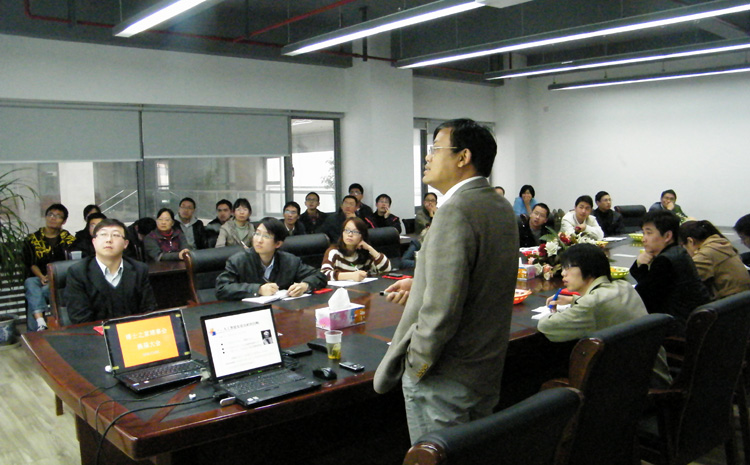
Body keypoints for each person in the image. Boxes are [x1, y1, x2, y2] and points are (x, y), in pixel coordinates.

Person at [374, 118, 518, 442]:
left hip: (445, 378)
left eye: (435, 149)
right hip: (485, 367)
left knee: (437, 456)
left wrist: (416, 366)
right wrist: (421, 282)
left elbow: (442, 310)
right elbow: (482, 277)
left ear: (463, 157)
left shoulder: (455, 210)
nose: (427, 157)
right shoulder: (499, 205)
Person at [538, 243, 672, 388]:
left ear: (588, 269)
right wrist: (574, 300)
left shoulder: (591, 304)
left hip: (626, 387)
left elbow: (546, 326)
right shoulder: (624, 286)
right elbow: (603, 305)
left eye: (568, 268)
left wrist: (556, 312)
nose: (563, 273)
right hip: (653, 376)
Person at [65, 219, 158, 324]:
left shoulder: (139, 269)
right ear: (94, 242)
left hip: (132, 330)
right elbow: (80, 317)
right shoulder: (78, 272)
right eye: (103, 235)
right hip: (96, 332)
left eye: (115, 235)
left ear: (125, 244)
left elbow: (149, 309)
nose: (109, 240)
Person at [630, 210, 710, 326]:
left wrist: (641, 266)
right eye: (643, 233)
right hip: (695, 320)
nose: (643, 239)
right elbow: (649, 287)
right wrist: (640, 264)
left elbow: (642, 298)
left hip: (678, 326)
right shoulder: (679, 252)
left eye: (649, 233)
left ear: (667, 236)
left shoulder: (665, 261)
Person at [216, 217, 327, 300]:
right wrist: (258, 289)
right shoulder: (239, 261)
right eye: (257, 234)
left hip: (283, 312)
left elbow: (319, 276)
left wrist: (304, 286)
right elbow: (222, 288)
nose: (259, 240)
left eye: (266, 236)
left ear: (278, 244)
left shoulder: (290, 261)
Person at [23, 203, 76, 331]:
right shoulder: (33, 239)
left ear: (64, 221)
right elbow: (31, 263)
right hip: (39, 278)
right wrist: (42, 277)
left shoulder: (69, 240)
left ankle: (36, 327)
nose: (53, 218)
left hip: (59, 281)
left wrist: (52, 277)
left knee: (35, 294)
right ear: (46, 217)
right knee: (30, 282)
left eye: (58, 216)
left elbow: (70, 264)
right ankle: (40, 323)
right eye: (50, 214)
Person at [678, 220, 750, 300]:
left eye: (683, 246)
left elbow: (685, 280)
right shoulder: (722, 244)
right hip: (741, 299)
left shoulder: (705, 254)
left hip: (729, 303)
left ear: (690, 241)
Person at [320, 217, 391, 281]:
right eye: (347, 230)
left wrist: (370, 248)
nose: (350, 234)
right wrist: (351, 276)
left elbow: (386, 269)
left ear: (362, 236)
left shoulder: (365, 253)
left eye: (355, 232)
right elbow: (324, 274)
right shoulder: (334, 252)